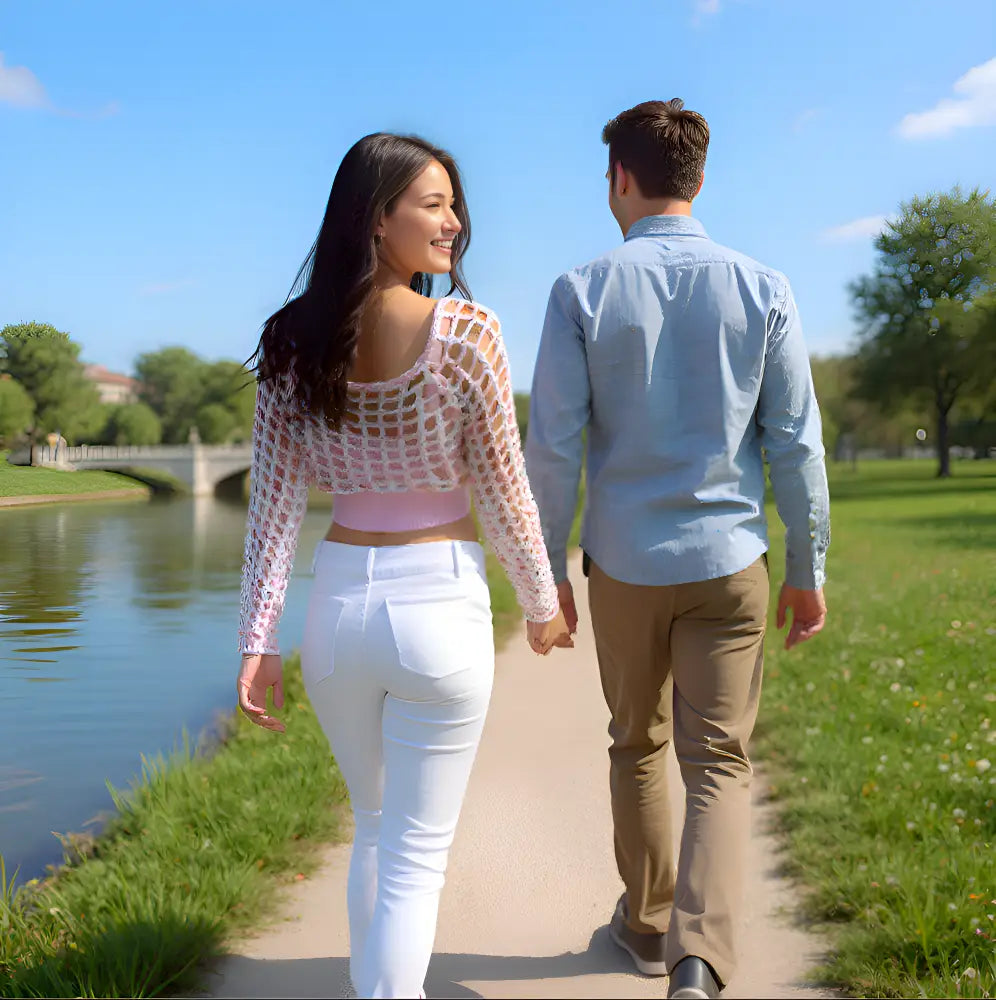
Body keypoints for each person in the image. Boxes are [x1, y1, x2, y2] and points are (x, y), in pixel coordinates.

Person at [235, 132, 571, 999]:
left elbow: (271, 507)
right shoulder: (465, 333)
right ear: (376, 217)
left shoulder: (289, 340)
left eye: (454, 203)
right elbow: (504, 488)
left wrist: (257, 640)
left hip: (340, 613)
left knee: (376, 831)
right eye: (434, 203)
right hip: (439, 611)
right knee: (416, 857)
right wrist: (542, 603)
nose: (454, 221)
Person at [525, 99, 830, 1000]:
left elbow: (554, 444)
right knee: (721, 760)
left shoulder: (579, 289)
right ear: (699, 180)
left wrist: (545, 573)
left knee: (637, 744)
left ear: (621, 178)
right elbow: (797, 445)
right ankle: (701, 962)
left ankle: (648, 925)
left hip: (622, 564)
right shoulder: (764, 286)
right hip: (731, 561)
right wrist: (807, 572)